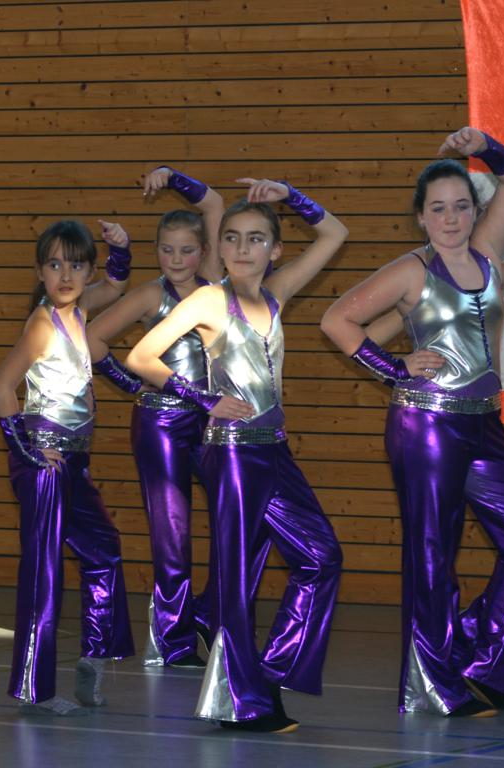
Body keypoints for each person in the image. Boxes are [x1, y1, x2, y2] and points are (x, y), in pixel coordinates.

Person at [321, 127, 504, 717]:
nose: (450, 218)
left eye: (460, 206)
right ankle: (430, 683)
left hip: (484, 424)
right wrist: (392, 367)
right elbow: (336, 320)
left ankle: (481, 657)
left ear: (474, 212)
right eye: (437, 209)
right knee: (432, 553)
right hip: (426, 425)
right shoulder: (410, 270)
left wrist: (484, 144)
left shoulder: (488, 254)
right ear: (420, 217)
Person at [127, 178, 347, 733]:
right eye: (232, 238)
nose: (243, 248)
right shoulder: (209, 299)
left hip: (274, 450)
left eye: (255, 239)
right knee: (237, 579)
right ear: (219, 247)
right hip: (230, 454)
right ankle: (241, 701)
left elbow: (334, 234)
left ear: (276, 250)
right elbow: (141, 356)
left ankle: (267, 671)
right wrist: (203, 399)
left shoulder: (276, 291)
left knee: (322, 556)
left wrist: (291, 195)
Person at [0, 218, 136, 716]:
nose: (66, 275)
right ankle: (36, 688)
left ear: (88, 271)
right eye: (54, 265)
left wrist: (121, 248)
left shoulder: (81, 307)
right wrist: (27, 451)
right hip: (45, 461)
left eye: (76, 266)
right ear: (39, 272)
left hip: (73, 461)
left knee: (103, 548)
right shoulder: (42, 322)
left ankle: (94, 656)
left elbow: (117, 285)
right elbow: (1, 388)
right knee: (45, 571)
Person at [86, 166, 226, 668]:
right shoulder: (151, 294)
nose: (177, 259)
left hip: (215, 422)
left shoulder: (217, 287)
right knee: (173, 533)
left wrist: (172, 177)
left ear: (204, 252)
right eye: (167, 250)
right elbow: (91, 338)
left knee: (236, 521)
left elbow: (214, 204)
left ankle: (208, 614)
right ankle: (172, 639)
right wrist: (133, 386)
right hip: (161, 423)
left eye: (187, 250)